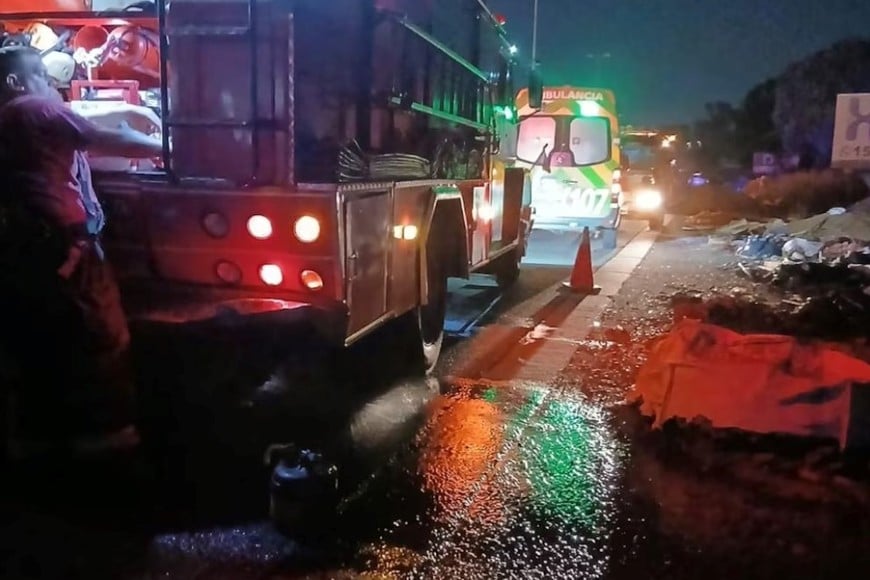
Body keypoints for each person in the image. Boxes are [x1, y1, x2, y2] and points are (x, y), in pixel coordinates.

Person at [0, 45, 162, 458]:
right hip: (64, 247)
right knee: (99, 334)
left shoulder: (13, 117)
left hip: (23, 247)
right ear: (16, 82)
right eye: (41, 74)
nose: (50, 84)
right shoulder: (33, 108)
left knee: (38, 339)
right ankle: (110, 446)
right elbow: (115, 139)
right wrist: (168, 147)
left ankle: (36, 442)